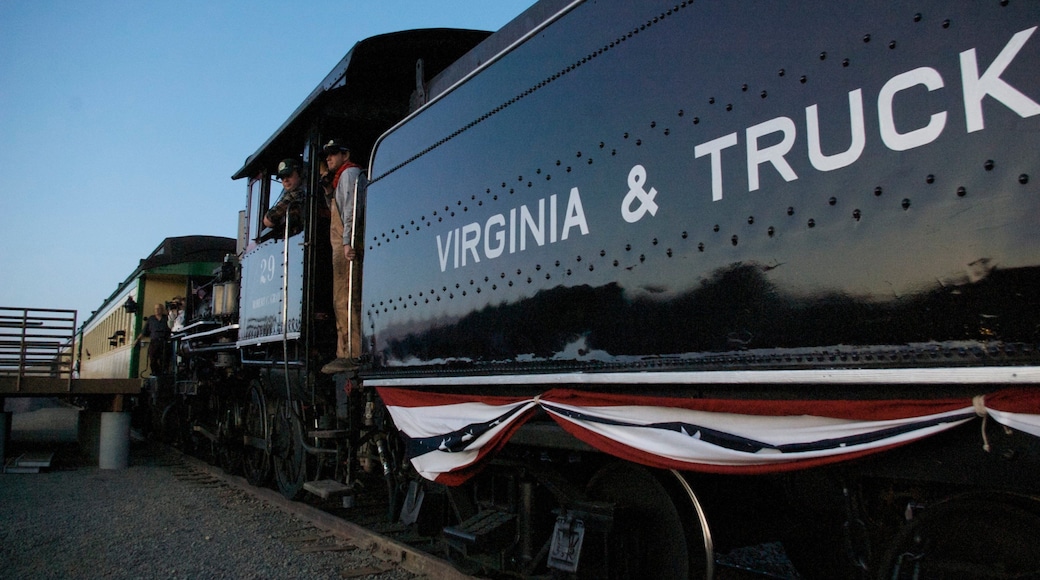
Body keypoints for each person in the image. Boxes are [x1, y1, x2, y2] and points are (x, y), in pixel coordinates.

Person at [318, 138, 367, 374]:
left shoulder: (350, 175)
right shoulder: (340, 179)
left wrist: (347, 242)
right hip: (341, 243)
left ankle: (351, 352)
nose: (328, 158)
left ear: (345, 156)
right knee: (342, 297)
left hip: (345, 244)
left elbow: (351, 210)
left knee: (346, 297)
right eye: (327, 155)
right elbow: (336, 208)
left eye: (333, 154)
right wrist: (328, 190)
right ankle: (346, 350)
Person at [263, 158, 307, 235]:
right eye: (282, 177)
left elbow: (269, 220)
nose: (285, 180)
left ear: (299, 174)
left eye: (288, 175)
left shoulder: (295, 195)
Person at [135, 303, 171, 375]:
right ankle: (155, 372)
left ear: (162, 309)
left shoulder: (167, 318)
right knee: (152, 358)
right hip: (154, 341)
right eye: (155, 309)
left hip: (165, 341)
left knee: (164, 359)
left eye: (159, 308)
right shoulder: (151, 319)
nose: (157, 310)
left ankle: (163, 373)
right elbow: (144, 331)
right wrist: (137, 339)